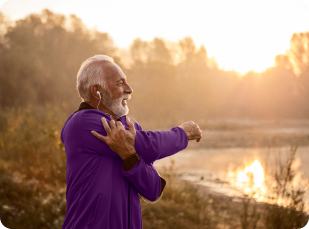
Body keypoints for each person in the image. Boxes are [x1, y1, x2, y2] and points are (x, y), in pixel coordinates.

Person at [61, 55, 202, 229]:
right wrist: (182, 134)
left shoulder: (128, 126)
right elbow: (147, 145)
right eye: (120, 83)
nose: (130, 89)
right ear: (97, 91)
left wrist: (129, 157)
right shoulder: (82, 123)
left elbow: (153, 190)